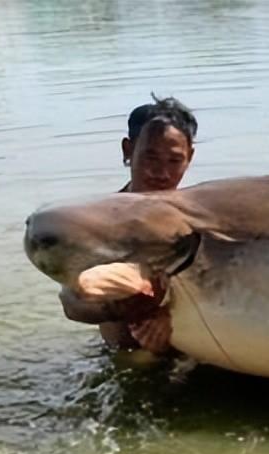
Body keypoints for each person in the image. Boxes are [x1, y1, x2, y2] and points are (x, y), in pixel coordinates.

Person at [59, 95, 198, 353]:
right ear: (128, 150)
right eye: (151, 157)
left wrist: (168, 316)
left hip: (189, 347)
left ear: (190, 157)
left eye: (174, 161)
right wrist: (123, 306)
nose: (162, 173)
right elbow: (70, 301)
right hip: (126, 356)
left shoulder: (198, 220)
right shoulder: (102, 222)